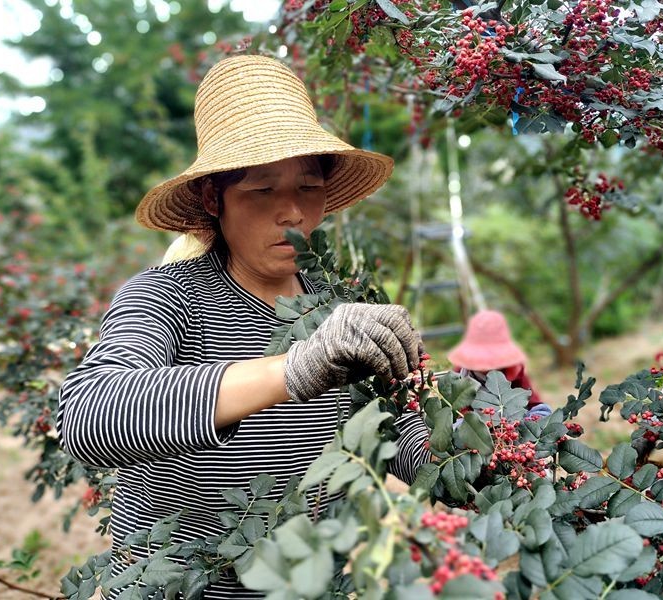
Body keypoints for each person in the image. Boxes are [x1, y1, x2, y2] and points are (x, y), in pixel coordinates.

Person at [56, 55, 430, 599]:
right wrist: (298, 367)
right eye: (262, 190)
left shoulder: (342, 308)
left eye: (308, 187)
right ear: (214, 198)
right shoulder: (167, 296)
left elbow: (400, 441)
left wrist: (483, 439)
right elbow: (87, 415)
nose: (292, 212)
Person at [447, 309, 551, 418]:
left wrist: (529, 420)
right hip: (478, 423)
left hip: (513, 421)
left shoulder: (513, 370)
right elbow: (459, 411)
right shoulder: (461, 374)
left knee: (542, 413)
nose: (484, 363)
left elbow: (534, 404)